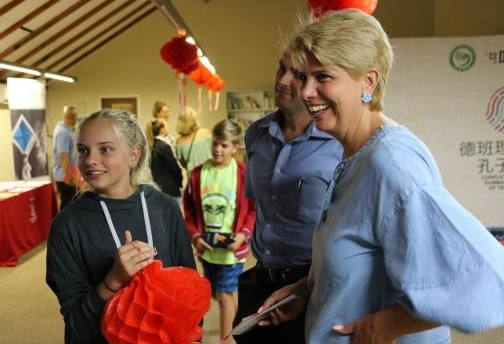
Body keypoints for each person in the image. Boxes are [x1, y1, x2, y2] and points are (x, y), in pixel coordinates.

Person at [258, 9, 504, 344]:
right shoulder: (354, 154)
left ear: (369, 81)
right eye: (304, 77)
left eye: (324, 77)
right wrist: (307, 289)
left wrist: (384, 326)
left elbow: (486, 277)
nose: (306, 92)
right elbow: (368, 257)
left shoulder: (391, 163)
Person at [46, 109, 196, 344]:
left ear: (133, 156)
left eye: (105, 149)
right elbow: (76, 323)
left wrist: (193, 336)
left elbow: (189, 288)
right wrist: (113, 281)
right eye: (83, 150)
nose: (90, 159)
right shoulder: (66, 226)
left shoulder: (165, 209)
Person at [232, 52, 343, 344]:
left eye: (297, 73)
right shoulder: (256, 133)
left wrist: (310, 285)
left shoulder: (339, 142)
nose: (282, 80)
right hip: (260, 281)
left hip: (312, 284)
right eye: (281, 67)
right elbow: (259, 206)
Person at [183, 119, 256, 343]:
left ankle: (226, 340)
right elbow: (190, 211)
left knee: (224, 296)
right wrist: (195, 237)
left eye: (224, 145)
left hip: (232, 251)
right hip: (207, 249)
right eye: (215, 143)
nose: (217, 149)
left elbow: (253, 209)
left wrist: (243, 235)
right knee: (216, 293)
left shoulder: (244, 174)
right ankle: (234, 319)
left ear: (234, 146)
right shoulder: (197, 174)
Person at [146, 118, 183, 201]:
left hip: (159, 188)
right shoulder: (163, 146)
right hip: (170, 190)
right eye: (166, 126)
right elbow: (174, 168)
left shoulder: (152, 145)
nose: (168, 129)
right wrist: (180, 183)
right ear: (162, 129)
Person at [52, 105, 78, 210]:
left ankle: (69, 226)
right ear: (71, 117)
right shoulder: (63, 133)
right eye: (75, 116)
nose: (76, 119)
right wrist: (69, 176)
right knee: (67, 206)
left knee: (70, 205)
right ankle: (64, 226)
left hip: (66, 176)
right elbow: (63, 156)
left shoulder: (66, 130)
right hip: (65, 177)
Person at [175, 107, 212, 175]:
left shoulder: (179, 142)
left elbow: (183, 164)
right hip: (210, 174)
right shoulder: (206, 133)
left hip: (193, 177)